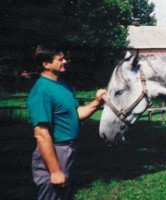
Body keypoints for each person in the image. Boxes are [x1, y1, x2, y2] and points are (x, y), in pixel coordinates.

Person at [27, 44, 106, 200]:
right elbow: (41, 134)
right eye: (60, 59)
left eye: (64, 58)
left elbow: (76, 114)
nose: (65, 61)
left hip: (69, 149)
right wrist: (55, 170)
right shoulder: (41, 90)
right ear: (46, 64)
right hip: (55, 151)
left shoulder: (62, 85)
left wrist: (97, 102)